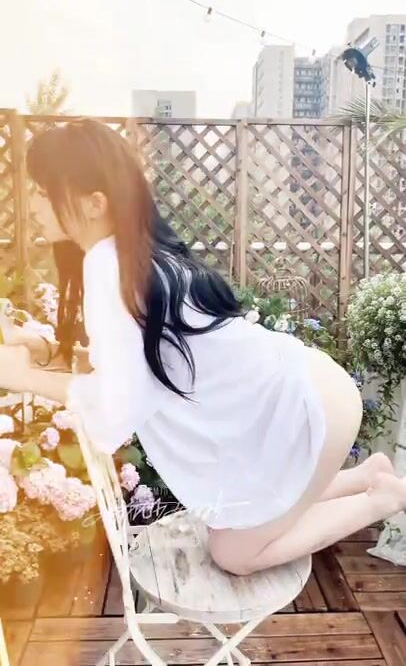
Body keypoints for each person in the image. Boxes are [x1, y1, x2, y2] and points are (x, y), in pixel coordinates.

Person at [0, 119, 403, 577]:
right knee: (232, 526)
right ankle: (368, 475)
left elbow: (118, 403)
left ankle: (382, 497)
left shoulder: (111, 268)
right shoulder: (132, 256)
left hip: (308, 409)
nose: (32, 202)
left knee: (234, 554)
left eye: (42, 190)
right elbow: (126, 366)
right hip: (305, 391)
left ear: (94, 203)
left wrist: (22, 377)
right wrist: (42, 351)